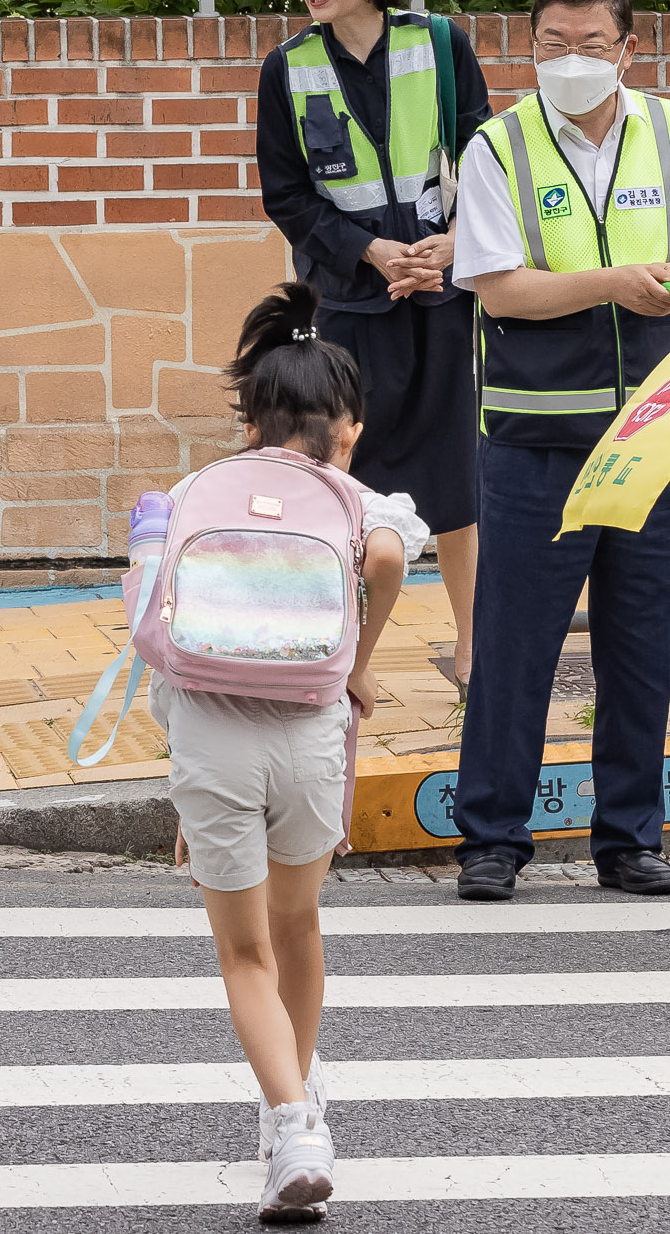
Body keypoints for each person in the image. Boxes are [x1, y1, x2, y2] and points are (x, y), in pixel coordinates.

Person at [446, 0, 670, 903]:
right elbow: (498, 285)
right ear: (531, 48)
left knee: (639, 639)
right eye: (552, 46)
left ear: (629, 49)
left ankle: (630, 839)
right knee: (516, 642)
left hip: (651, 425)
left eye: (592, 45)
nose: (571, 62)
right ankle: (491, 836)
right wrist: (614, 281)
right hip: (535, 434)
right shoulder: (499, 147)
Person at [156, 281, 426, 1224]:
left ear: (249, 420)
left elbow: (156, 626)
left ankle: (292, 1119)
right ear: (346, 429)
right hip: (311, 736)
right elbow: (390, 559)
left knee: (241, 949)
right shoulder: (360, 499)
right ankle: (294, 1118)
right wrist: (359, 655)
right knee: (299, 923)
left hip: (213, 740)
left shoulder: (193, 493)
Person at [256, 0, 490, 678]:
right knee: (340, 478)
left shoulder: (442, 45)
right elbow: (287, 197)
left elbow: (487, 163)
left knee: (459, 475)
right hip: (347, 308)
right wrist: (371, 251)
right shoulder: (287, 67)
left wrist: (454, 246)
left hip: (440, 298)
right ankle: (346, 662)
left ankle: (472, 645)